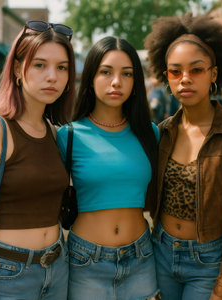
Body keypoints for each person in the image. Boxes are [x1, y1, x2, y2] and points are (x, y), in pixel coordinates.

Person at [0, 20, 76, 299]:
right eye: (39, 65)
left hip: (57, 270)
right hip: (6, 274)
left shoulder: (56, 134)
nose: (52, 77)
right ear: (18, 71)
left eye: (62, 68)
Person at [144, 13, 222, 300]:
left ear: (214, 74)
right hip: (160, 254)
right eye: (175, 71)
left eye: (196, 70)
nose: (185, 79)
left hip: (208, 261)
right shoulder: (162, 133)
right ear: (165, 76)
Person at [56, 36, 159, 300]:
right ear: (90, 78)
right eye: (106, 72)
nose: (116, 82)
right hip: (85, 260)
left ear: (136, 81)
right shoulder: (68, 135)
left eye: (127, 74)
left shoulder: (151, 134)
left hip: (141, 258)